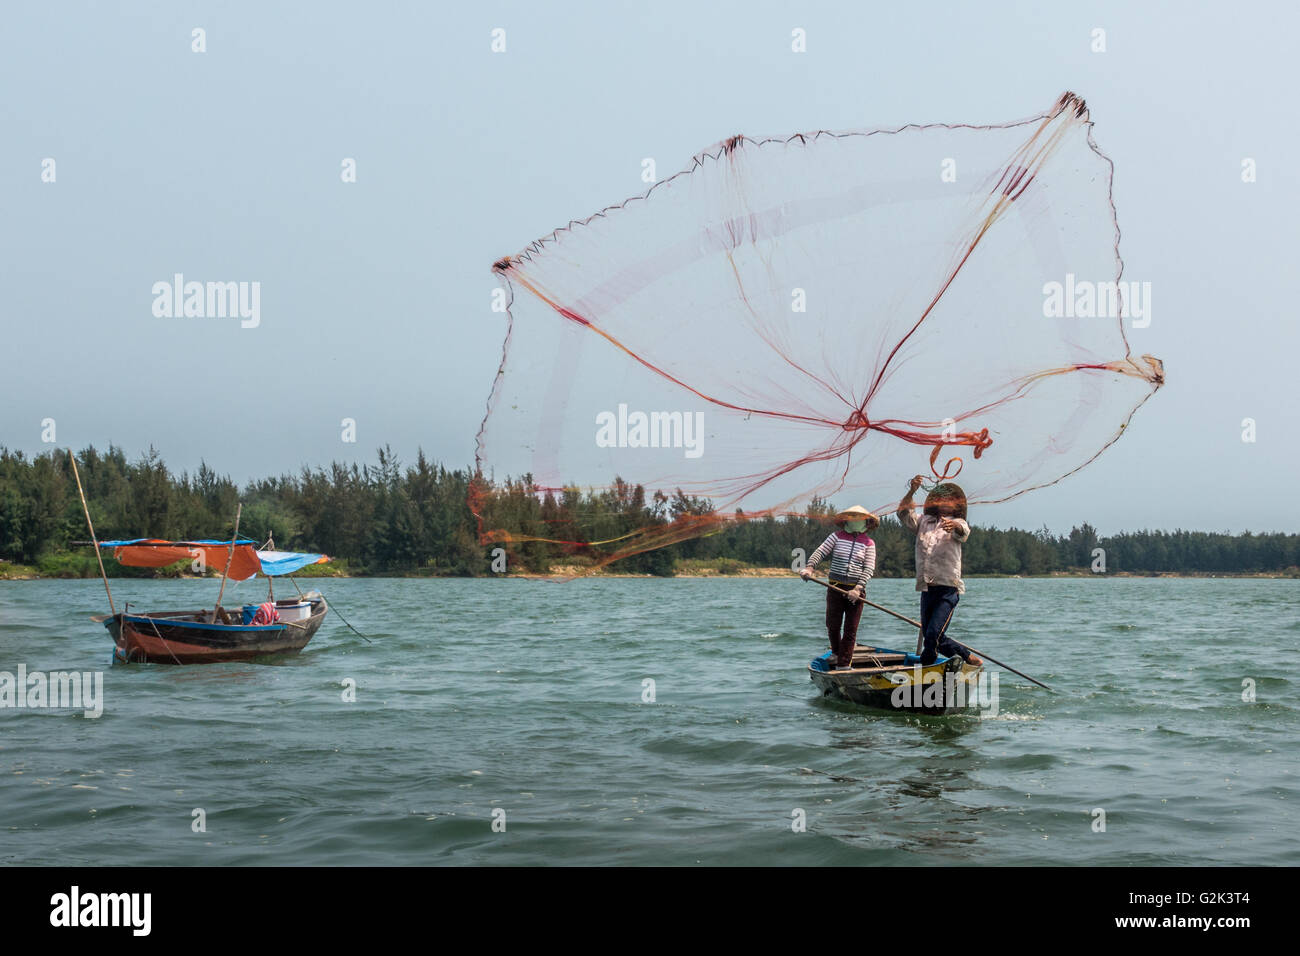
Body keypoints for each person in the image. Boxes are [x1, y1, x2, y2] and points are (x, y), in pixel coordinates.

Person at [897, 476, 977, 666]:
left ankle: (927, 668)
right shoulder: (923, 522)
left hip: (948, 589)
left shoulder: (959, 522)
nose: (944, 503)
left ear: (956, 505)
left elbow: (963, 532)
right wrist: (912, 491)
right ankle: (966, 656)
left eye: (949, 500)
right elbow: (903, 514)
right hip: (927, 588)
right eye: (940, 499)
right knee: (931, 636)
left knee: (933, 634)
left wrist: (954, 526)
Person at [799, 505, 878, 669]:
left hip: (856, 592)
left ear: (866, 521)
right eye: (852, 517)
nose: (855, 521)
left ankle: (843, 664)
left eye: (859, 518)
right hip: (835, 587)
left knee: (850, 630)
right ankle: (836, 652)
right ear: (846, 520)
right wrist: (810, 567)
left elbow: (869, 568)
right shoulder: (836, 537)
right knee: (832, 625)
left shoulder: (869, 543)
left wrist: (858, 588)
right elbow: (820, 552)